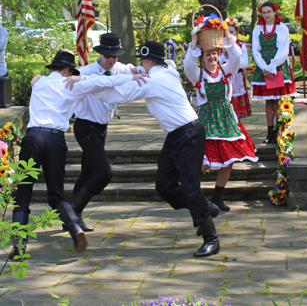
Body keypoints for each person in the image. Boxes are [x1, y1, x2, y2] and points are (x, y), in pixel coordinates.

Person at [75, 41, 221, 257]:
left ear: (149, 60)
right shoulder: (166, 70)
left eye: (142, 60)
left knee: (190, 187)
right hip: (177, 135)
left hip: (188, 134)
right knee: (164, 186)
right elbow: (148, 69)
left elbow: (115, 96)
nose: (140, 64)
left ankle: (211, 238)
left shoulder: (154, 80)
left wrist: (84, 83)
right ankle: (206, 209)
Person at [10, 50, 147, 259]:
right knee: (56, 194)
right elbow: (102, 82)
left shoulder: (39, 82)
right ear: (67, 70)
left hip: (33, 138)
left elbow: (34, 80)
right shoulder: (72, 84)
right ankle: (75, 229)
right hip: (55, 140)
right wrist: (131, 76)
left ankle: (19, 246)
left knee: (23, 195)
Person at [70, 33, 140, 232]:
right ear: (100, 54)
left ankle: (73, 215)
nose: (111, 60)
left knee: (87, 172)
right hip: (85, 127)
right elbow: (66, 81)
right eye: (108, 56)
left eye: (115, 56)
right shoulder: (85, 71)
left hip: (101, 128)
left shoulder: (119, 68)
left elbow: (134, 69)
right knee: (103, 172)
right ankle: (74, 211)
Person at [184, 27, 258, 212]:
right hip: (207, 120)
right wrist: (194, 41)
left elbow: (237, 57)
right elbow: (187, 64)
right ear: (202, 57)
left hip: (226, 119)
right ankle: (189, 190)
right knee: (206, 160)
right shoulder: (198, 75)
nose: (211, 57)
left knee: (229, 159)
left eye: (214, 54)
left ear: (219, 54)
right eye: (207, 54)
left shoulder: (227, 71)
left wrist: (226, 35)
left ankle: (217, 197)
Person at [251, 1, 296, 144]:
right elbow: (255, 50)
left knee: (279, 101)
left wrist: (272, 66)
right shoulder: (257, 29)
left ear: (275, 12)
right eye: (263, 13)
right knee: (269, 101)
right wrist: (264, 67)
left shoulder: (282, 28)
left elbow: (283, 49)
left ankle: (280, 131)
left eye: (269, 12)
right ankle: (269, 132)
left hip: (278, 67)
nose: (266, 15)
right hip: (264, 67)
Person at [219, 18, 252, 118]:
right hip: (223, 77)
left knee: (237, 108)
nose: (229, 35)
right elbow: (216, 63)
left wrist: (232, 58)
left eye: (232, 32)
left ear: (237, 32)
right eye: (227, 32)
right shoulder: (220, 44)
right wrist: (224, 55)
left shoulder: (240, 44)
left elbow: (245, 64)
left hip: (237, 77)